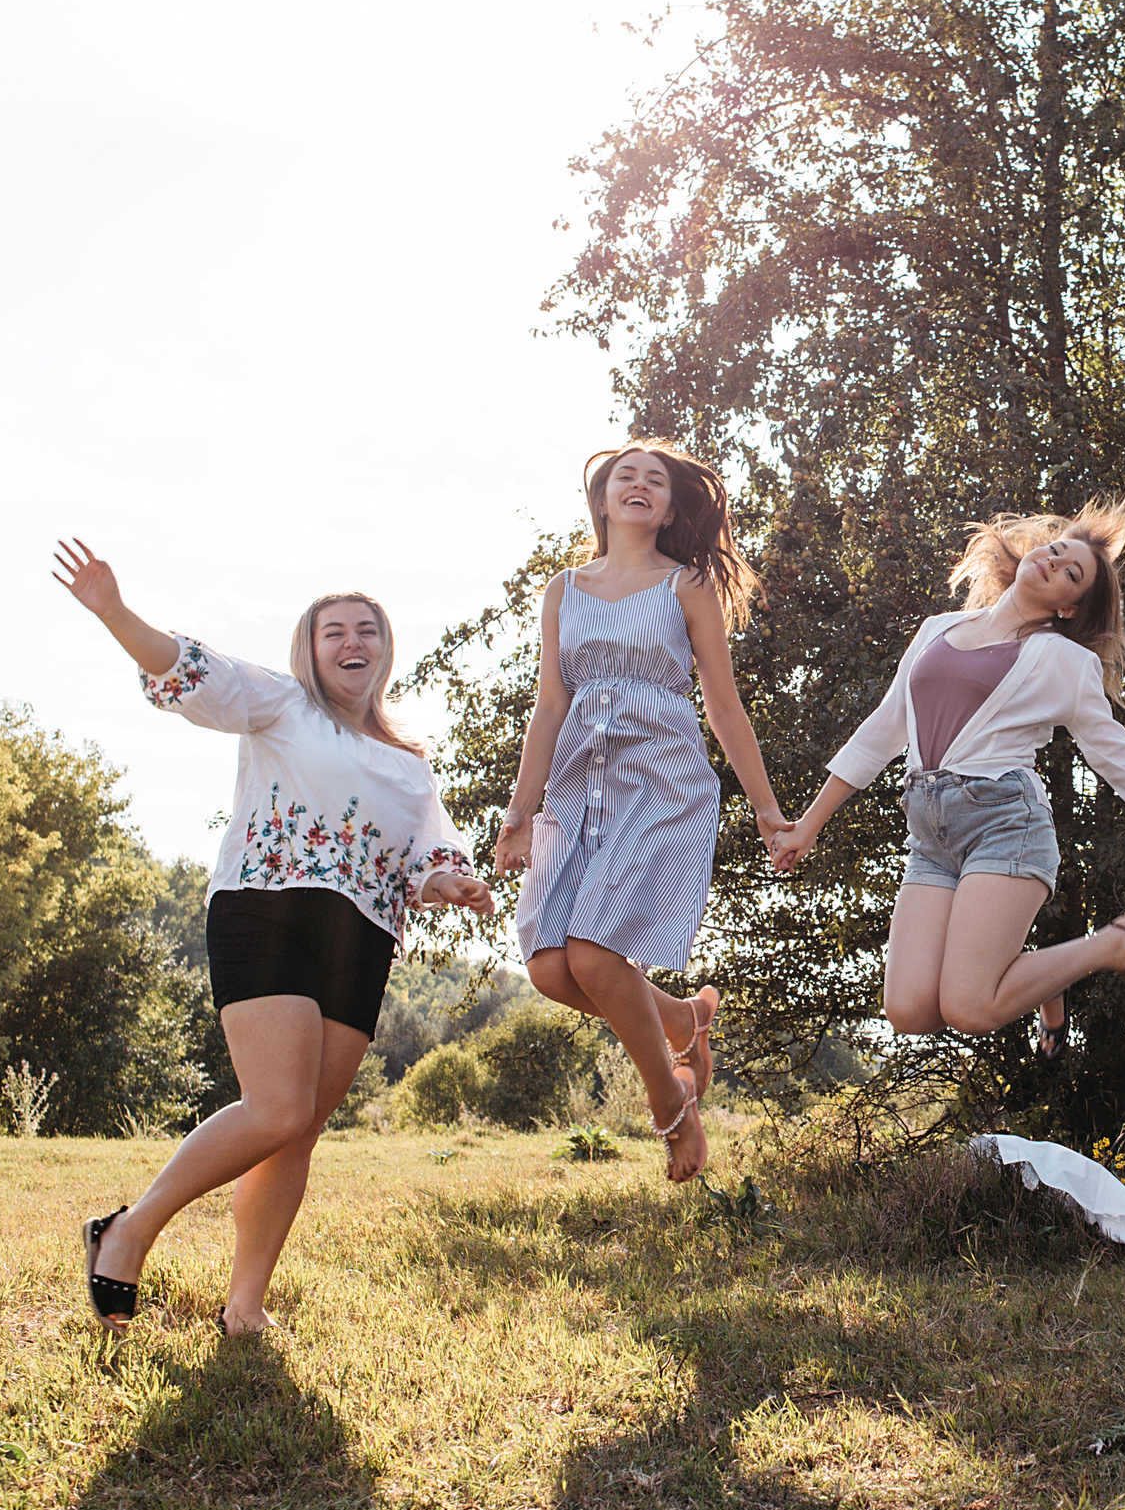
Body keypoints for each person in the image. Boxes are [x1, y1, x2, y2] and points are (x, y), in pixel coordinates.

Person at [54, 543, 496, 1335]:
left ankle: (245, 1302)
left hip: (361, 937)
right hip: (269, 905)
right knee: (277, 1106)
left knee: (299, 1130)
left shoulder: (411, 766)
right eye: (335, 630)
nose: (353, 640)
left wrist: (449, 883)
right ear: (311, 648)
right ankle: (129, 1230)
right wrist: (116, 612)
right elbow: (189, 669)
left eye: (367, 629)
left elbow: (424, 857)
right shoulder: (281, 702)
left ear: (386, 649)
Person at [768, 494, 1125, 1050]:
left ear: (1070, 608)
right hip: (930, 835)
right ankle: (1044, 975)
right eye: (1055, 550)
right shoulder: (937, 630)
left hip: (1004, 825)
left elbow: (1119, 757)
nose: (1053, 562)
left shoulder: (1065, 662)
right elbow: (881, 731)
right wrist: (809, 825)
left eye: (1071, 573)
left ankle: (1117, 944)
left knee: (970, 1008)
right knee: (908, 1009)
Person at [491, 441, 786, 1184]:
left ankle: (672, 1106)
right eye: (626, 475)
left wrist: (766, 808)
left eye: (656, 480)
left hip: (660, 779)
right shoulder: (564, 589)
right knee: (550, 968)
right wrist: (520, 812)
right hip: (578, 784)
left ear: (670, 508)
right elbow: (549, 705)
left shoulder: (687, 585)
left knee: (594, 956)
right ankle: (683, 1019)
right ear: (602, 499)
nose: (640, 484)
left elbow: (723, 703)